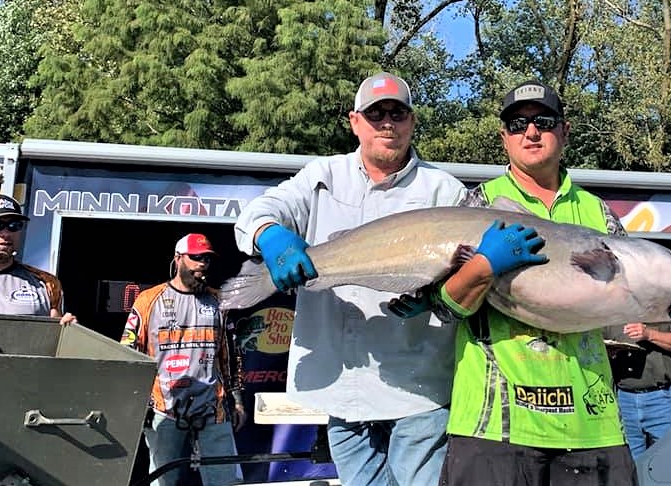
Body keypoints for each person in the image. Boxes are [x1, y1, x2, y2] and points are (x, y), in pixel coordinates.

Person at [390, 80, 671, 485]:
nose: (531, 132)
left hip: (592, 425)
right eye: (517, 124)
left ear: (565, 130)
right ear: (504, 137)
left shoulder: (598, 213)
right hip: (495, 427)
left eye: (543, 121)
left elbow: (620, 314)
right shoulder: (478, 205)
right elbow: (445, 306)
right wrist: (484, 266)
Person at [233, 71, 466, 485]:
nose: (388, 124)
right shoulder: (321, 175)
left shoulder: (444, 190)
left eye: (398, 113)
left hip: (419, 391)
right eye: (376, 114)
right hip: (339, 388)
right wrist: (270, 236)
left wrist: (434, 296)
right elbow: (258, 211)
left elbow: (469, 280)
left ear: (412, 121)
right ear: (355, 121)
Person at [120, 233, 246, 486]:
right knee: (164, 480)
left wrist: (238, 399)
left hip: (213, 406)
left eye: (207, 259)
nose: (202, 264)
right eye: (196, 257)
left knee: (225, 480)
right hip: (163, 408)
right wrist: (135, 403)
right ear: (178, 259)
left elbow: (231, 354)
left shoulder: (219, 301)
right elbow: (129, 354)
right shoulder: (148, 300)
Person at [604, 319, 671, 459]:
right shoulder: (612, 307)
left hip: (663, 400)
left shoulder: (664, 304)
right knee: (630, 467)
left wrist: (648, 334)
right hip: (624, 401)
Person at [0, 193, 75, 325]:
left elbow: (56, 337)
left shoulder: (46, 283)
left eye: (14, 225)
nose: (6, 233)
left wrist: (68, 332)